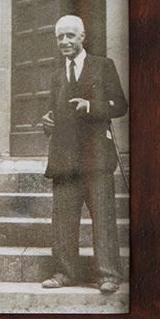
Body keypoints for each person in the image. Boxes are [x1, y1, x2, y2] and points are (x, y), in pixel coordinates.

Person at [40, 15, 128, 294]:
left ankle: (108, 275)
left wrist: (90, 105)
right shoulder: (56, 73)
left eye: (69, 36)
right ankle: (64, 273)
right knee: (63, 219)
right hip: (64, 157)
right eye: (59, 37)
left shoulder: (103, 65)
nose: (64, 41)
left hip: (95, 157)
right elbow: (52, 110)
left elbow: (119, 105)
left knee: (103, 218)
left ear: (82, 37)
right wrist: (47, 121)